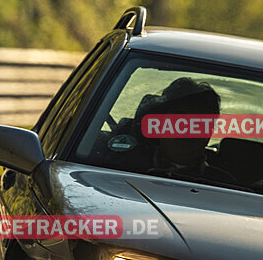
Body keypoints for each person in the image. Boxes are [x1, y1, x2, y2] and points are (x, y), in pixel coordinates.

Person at [94, 76, 235, 182]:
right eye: (179, 120)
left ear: (209, 132)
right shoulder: (117, 166)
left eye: (198, 124)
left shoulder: (225, 184)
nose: (186, 130)